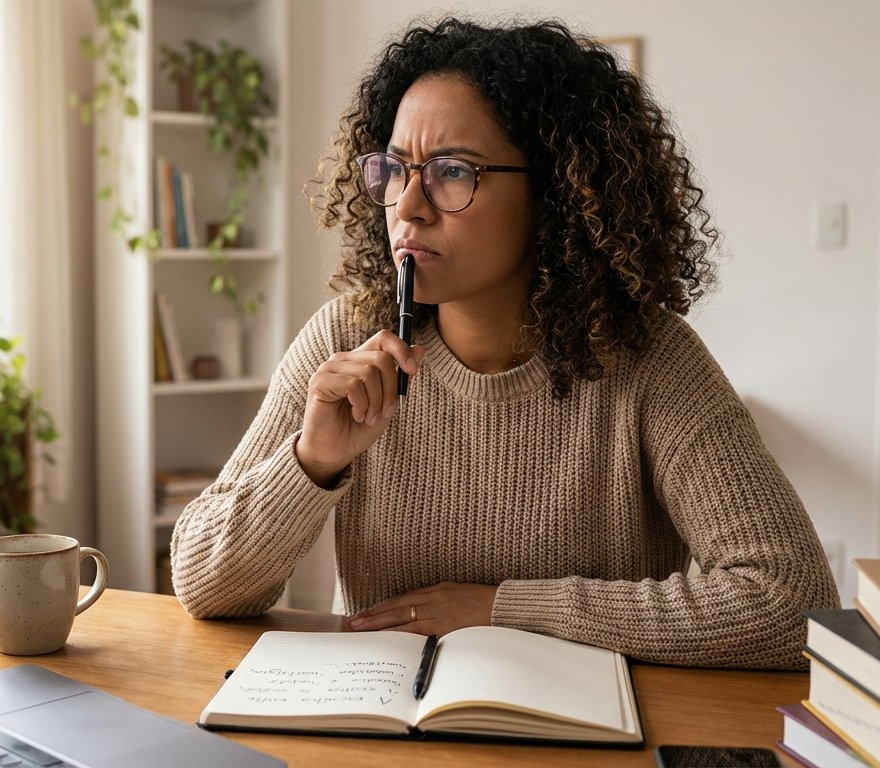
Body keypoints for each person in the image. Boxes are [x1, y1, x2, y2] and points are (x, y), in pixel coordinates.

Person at [170, 16, 839, 669]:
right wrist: (311, 461)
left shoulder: (652, 358)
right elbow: (204, 587)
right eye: (396, 169)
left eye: (453, 171)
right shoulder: (345, 338)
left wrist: (505, 610)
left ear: (558, 193)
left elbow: (790, 600)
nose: (407, 206)